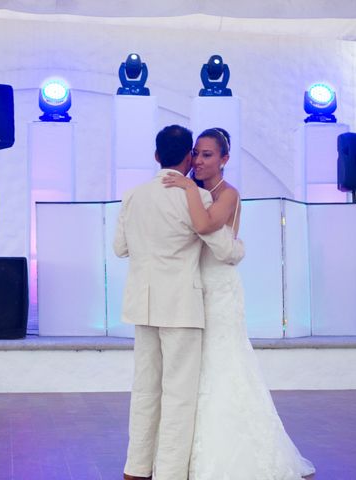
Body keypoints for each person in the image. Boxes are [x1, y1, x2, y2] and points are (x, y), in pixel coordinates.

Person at [163, 127, 316, 479]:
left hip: (219, 289)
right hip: (190, 286)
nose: (198, 161)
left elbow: (205, 226)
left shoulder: (228, 195)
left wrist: (186, 187)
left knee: (224, 363)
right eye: (196, 154)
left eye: (207, 155)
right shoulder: (193, 191)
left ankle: (230, 455)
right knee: (193, 369)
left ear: (224, 159)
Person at [113, 125, 245, 480]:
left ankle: (137, 468)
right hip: (181, 308)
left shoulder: (133, 195)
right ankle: (170, 472)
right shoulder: (198, 198)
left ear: (156, 156)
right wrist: (240, 246)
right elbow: (223, 249)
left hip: (142, 304)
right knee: (179, 395)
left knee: (144, 389)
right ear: (188, 156)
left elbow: (120, 248)